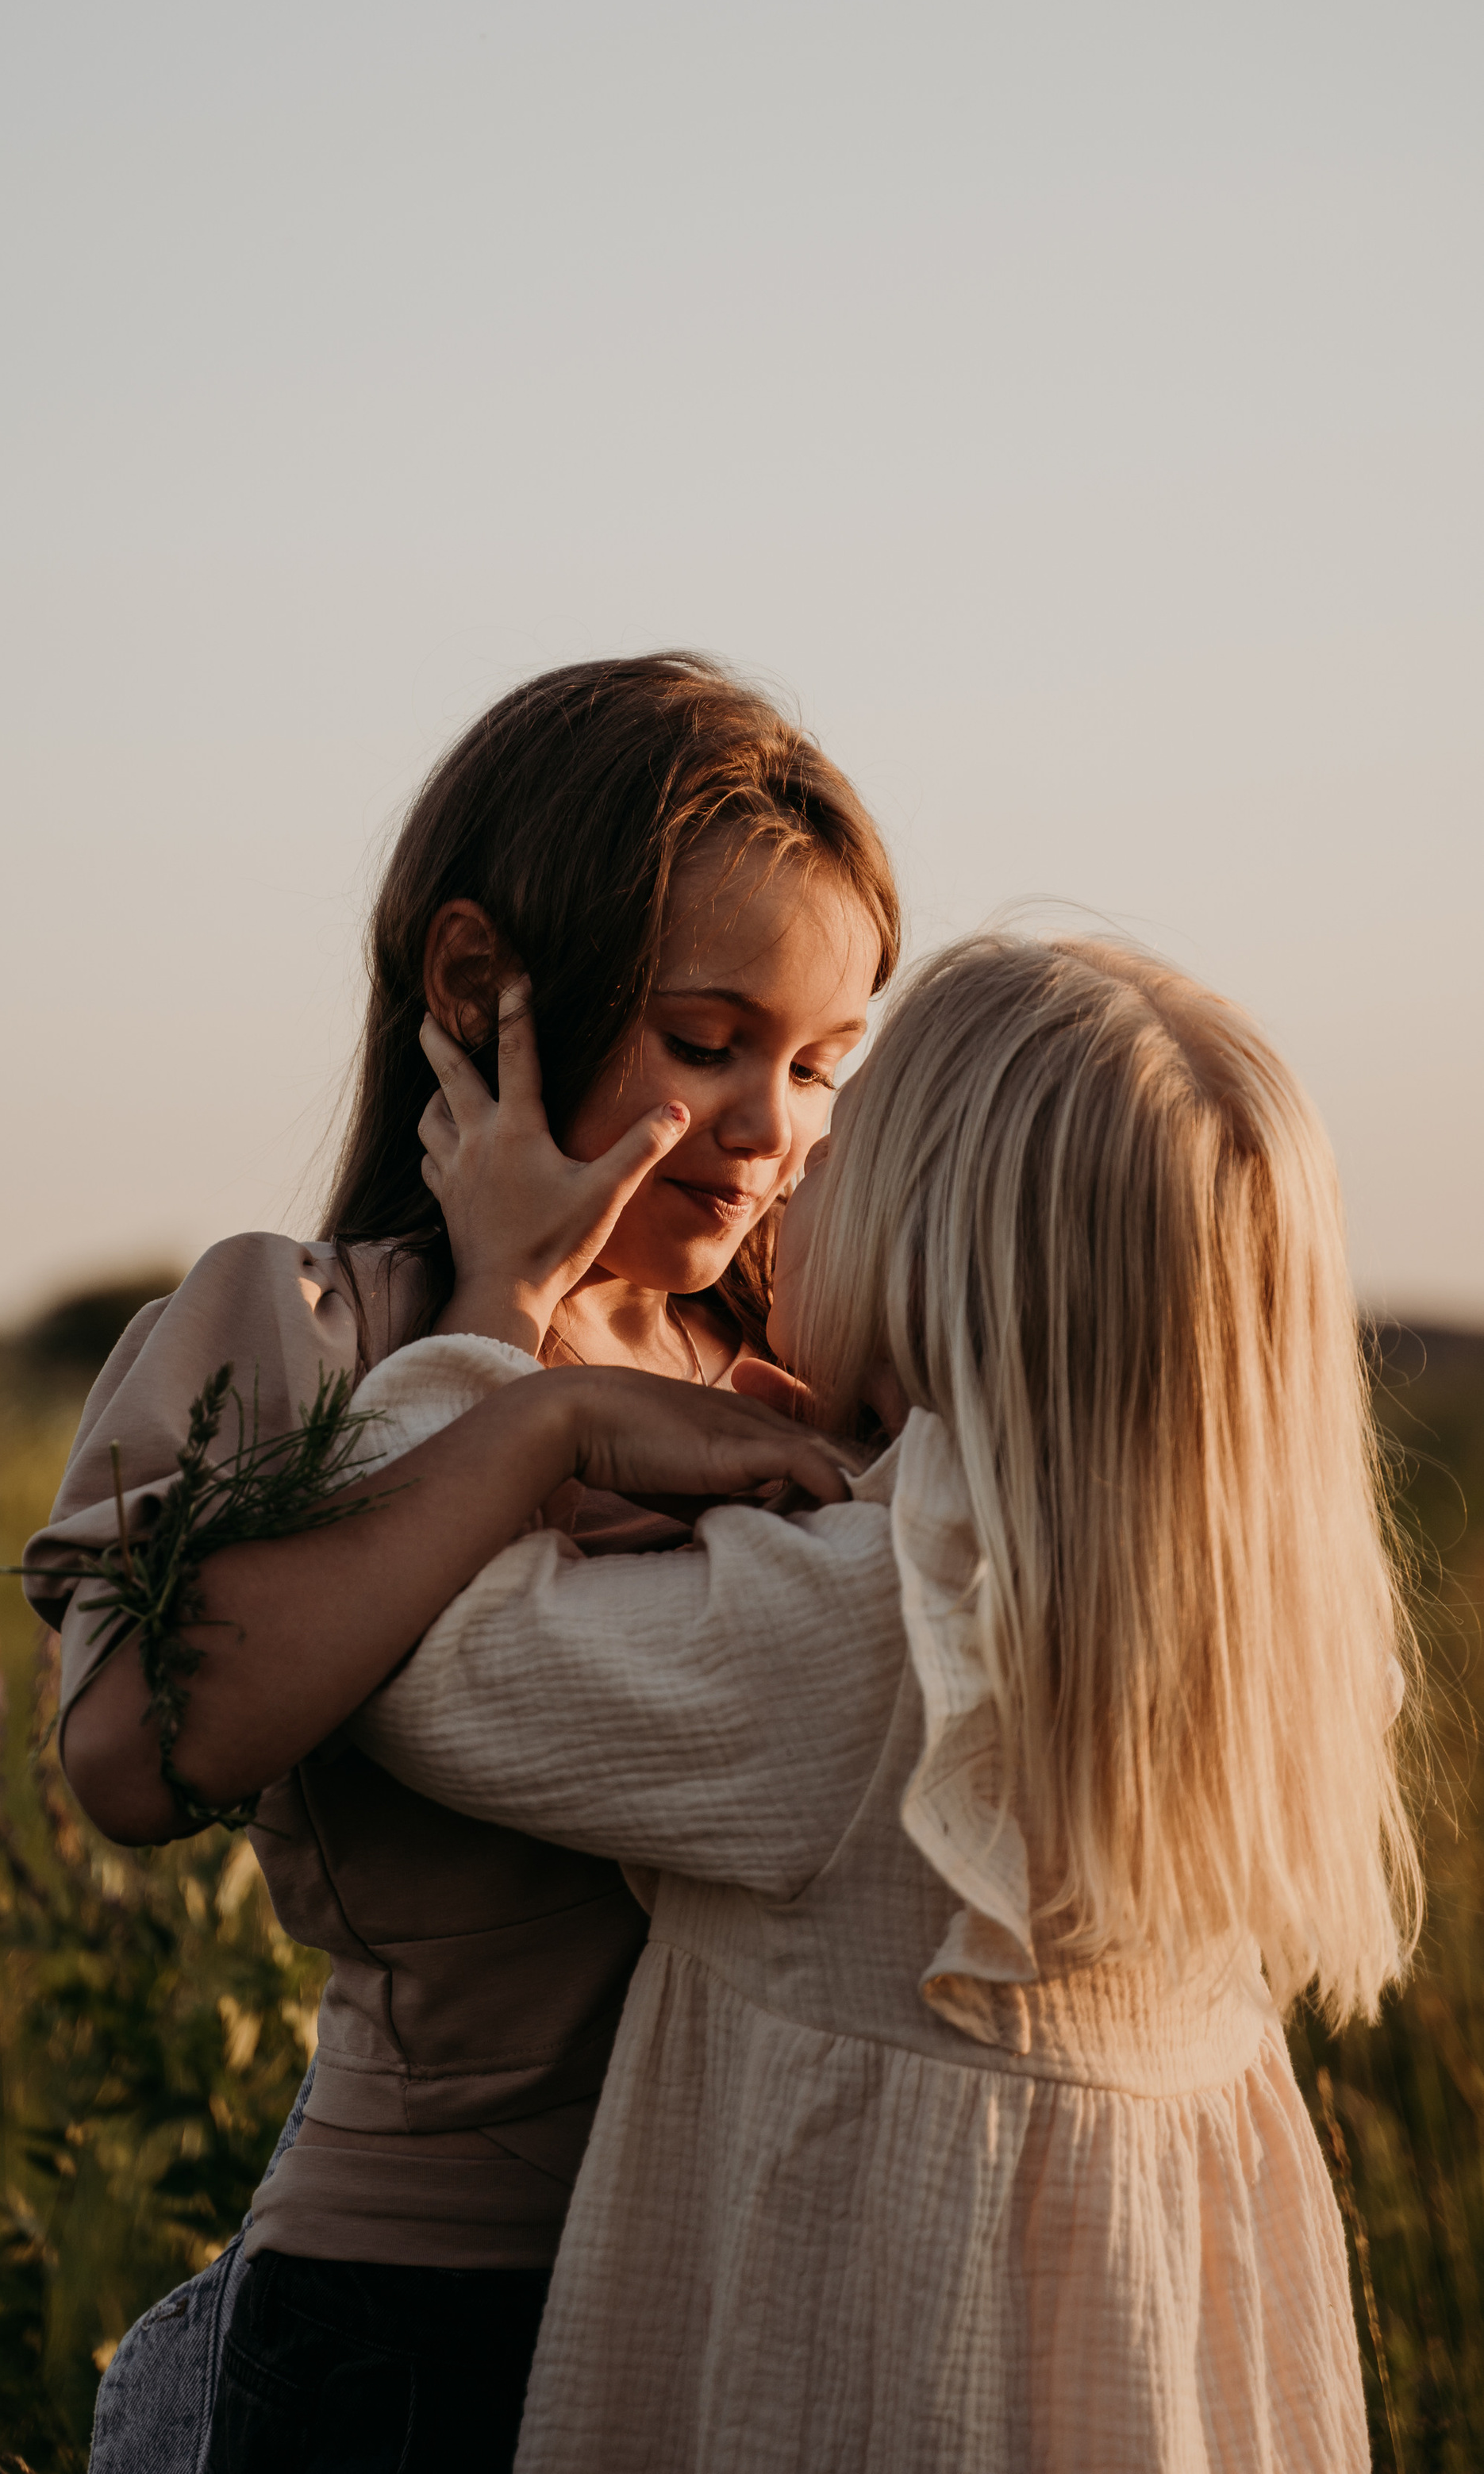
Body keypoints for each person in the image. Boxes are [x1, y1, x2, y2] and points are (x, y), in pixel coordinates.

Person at [333, 932, 1424, 2469]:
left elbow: (409, 1651)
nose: (790, 1166)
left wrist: (502, 1311)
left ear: (932, 1252)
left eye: (842, 1147)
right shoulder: (1264, 1641)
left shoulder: (868, 1630)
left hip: (878, 2375)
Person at [22, 651, 899, 2472]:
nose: (769, 1131)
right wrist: (517, 1382)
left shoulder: (796, 1363)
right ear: (476, 984)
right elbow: (133, 1751)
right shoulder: (300, 1329)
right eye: (705, 1042)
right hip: (424, 2314)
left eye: (821, 1065)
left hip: (763, 2275)